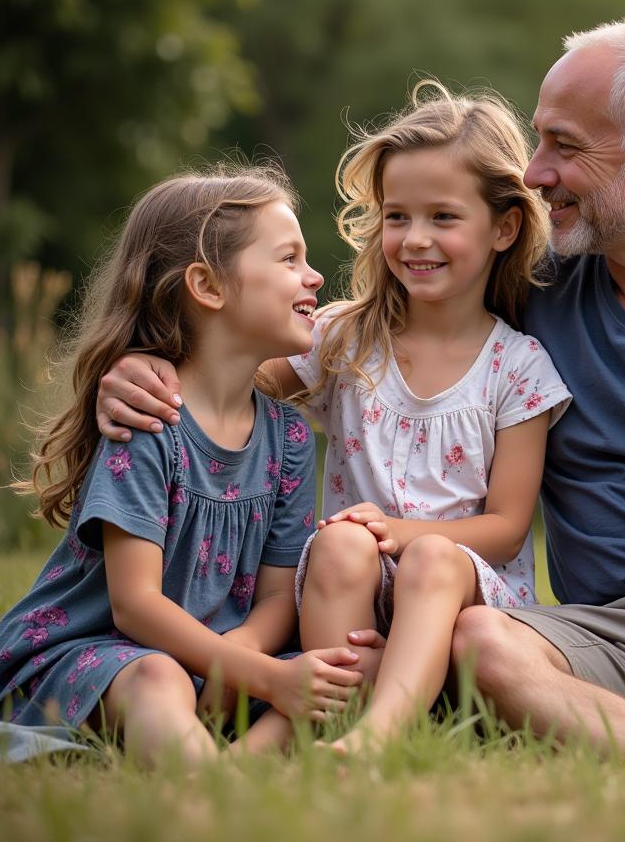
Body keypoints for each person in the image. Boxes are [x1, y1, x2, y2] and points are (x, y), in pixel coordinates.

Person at [97, 19, 625, 769]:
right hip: (611, 639)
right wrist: (152, 366)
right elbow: (351, 332)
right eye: (539, 142)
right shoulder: (536, 283)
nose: (536, 172)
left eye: (564, 146)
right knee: (480, 639)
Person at [100, 84, 574, 755]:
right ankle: (319, 714)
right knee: (341, 543)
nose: (415, 239)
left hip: (464, 595)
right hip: (348, 592)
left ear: (504, 227)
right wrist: (142, 373)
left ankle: (374, 739)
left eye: (443, 217)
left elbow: (504, 529)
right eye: (397, 216)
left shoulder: (517, 367)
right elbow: (226, 385)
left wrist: (400, 531)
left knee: (429, 556)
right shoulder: (345, 340)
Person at [0, 166, 365, 767]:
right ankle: (210, 786)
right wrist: (255, 676)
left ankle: (232, 768)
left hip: (219, 660)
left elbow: (277, 597)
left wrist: (243, 660)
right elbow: (133, 605)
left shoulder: (288, 436)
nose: (314, 276)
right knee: (160, 679)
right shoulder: (148, 422)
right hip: (101, 653)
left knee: (346, 671)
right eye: (289, 258)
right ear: (208, 286)